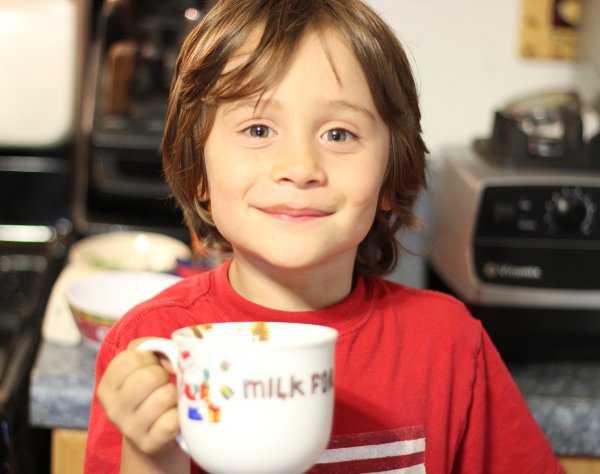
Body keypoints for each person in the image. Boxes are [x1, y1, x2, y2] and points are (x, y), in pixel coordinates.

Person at [85, 0, 566, 473]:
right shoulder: (148, 347)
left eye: (338, 134)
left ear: (389, 177)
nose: (299, 168)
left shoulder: (450, 347)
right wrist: (150, 456)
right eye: (258, 129)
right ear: (200, 176)